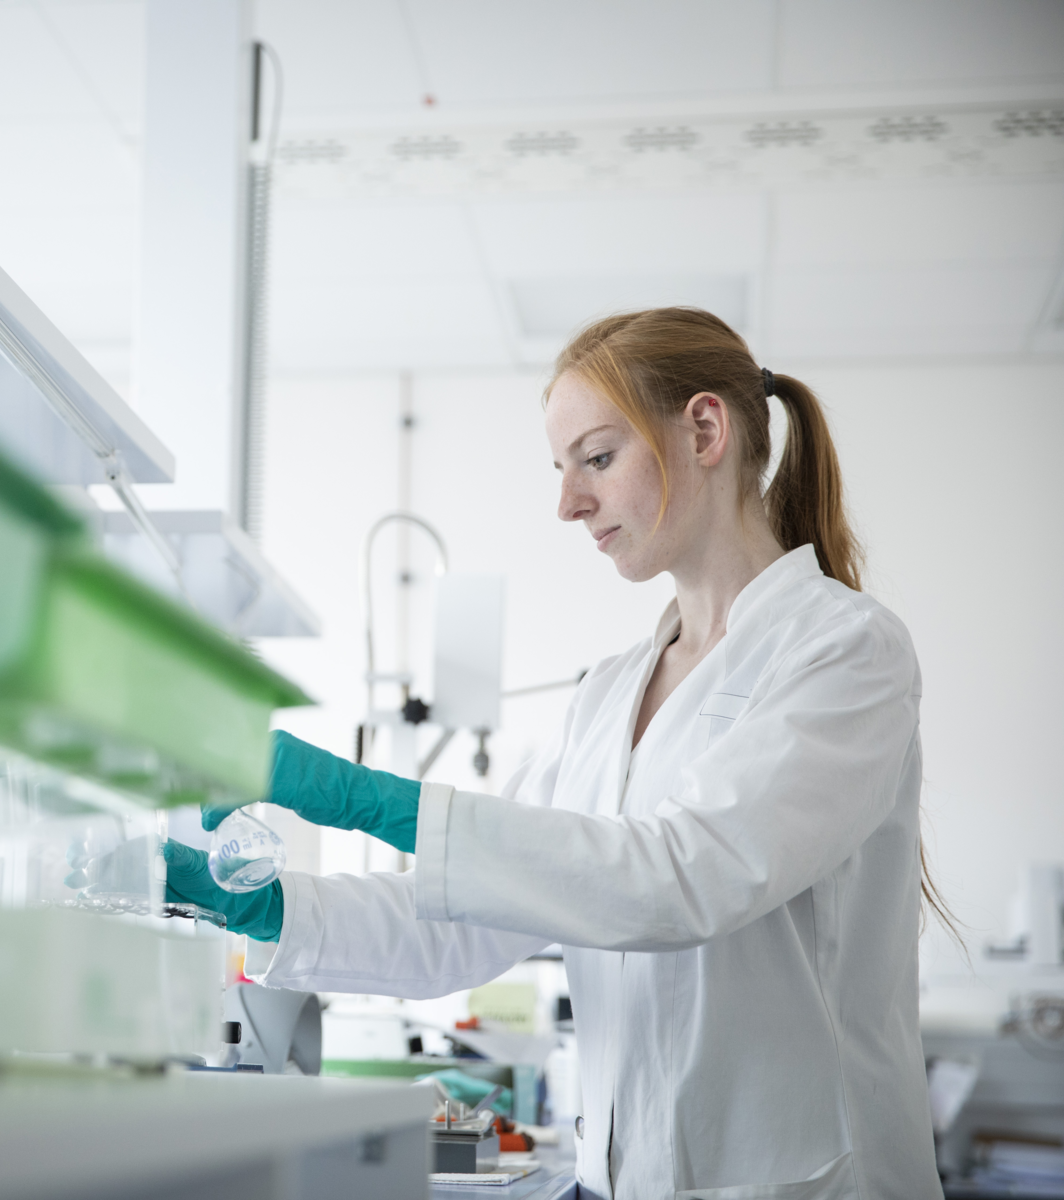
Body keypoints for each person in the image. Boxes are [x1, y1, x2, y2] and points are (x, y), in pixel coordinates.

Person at [165, 308, 947, 1200]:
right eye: (562, 468)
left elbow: (684, 878)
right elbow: (467, 920)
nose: (569, 502)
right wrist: (257, 908)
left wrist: (364, 799)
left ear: (704, 429)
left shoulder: (847, 651)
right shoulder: (607, 694)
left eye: (597, 458)